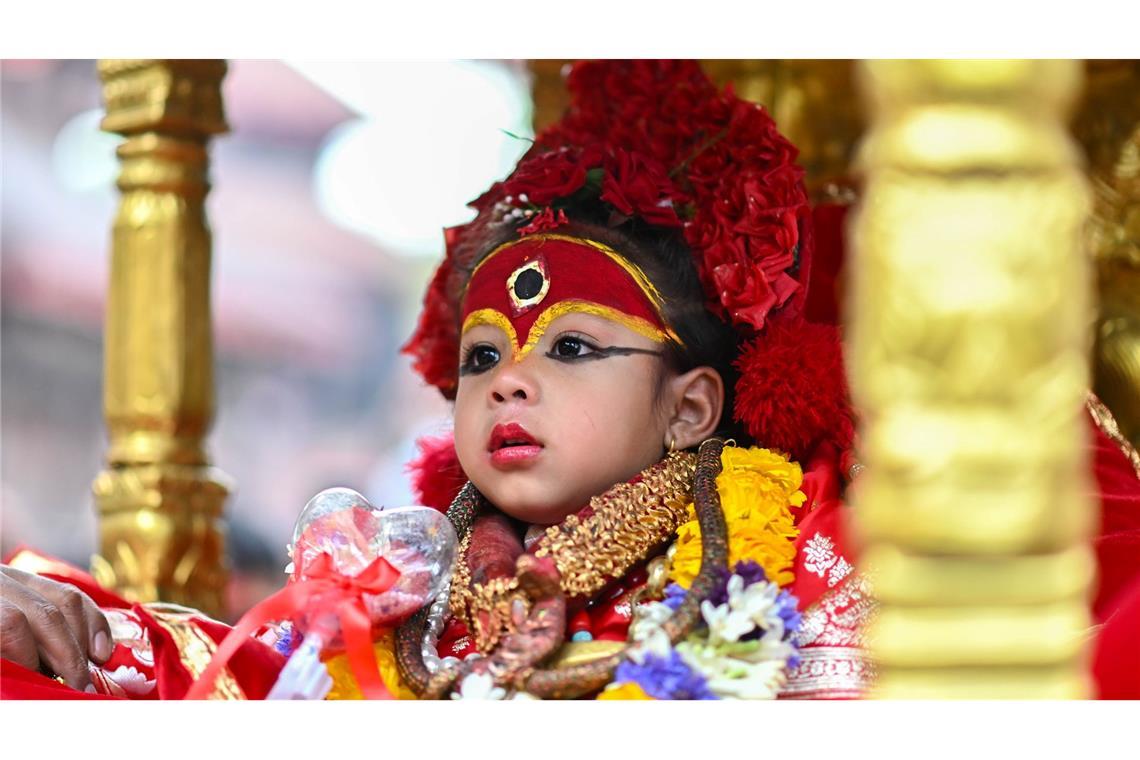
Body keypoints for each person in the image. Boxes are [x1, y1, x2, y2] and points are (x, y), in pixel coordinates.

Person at [3, 60, 1138, 700]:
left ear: (691, 404)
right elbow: (228, 691)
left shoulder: (803, 560)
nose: (508, 384)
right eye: (483, 356)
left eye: (575, 347)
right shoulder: (401, 586)